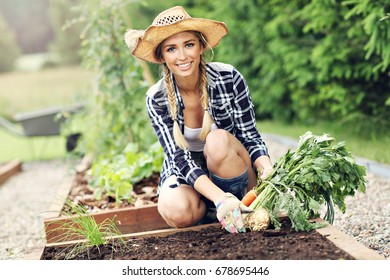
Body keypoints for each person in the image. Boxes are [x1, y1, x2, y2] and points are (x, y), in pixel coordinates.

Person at [124, 6, 273, 233]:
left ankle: (243, 205)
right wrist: (220, 198)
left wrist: (267, 168)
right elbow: (179, 158)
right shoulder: (157, 98)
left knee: (217, 140)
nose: (182, 56)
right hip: (190, 175)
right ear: (162, 57)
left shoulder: (229, 78)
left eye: (189, 45)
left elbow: (249, 135)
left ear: (201, 46)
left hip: (232, 169)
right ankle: (220, 212)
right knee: (177, 210)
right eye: (171, 49)